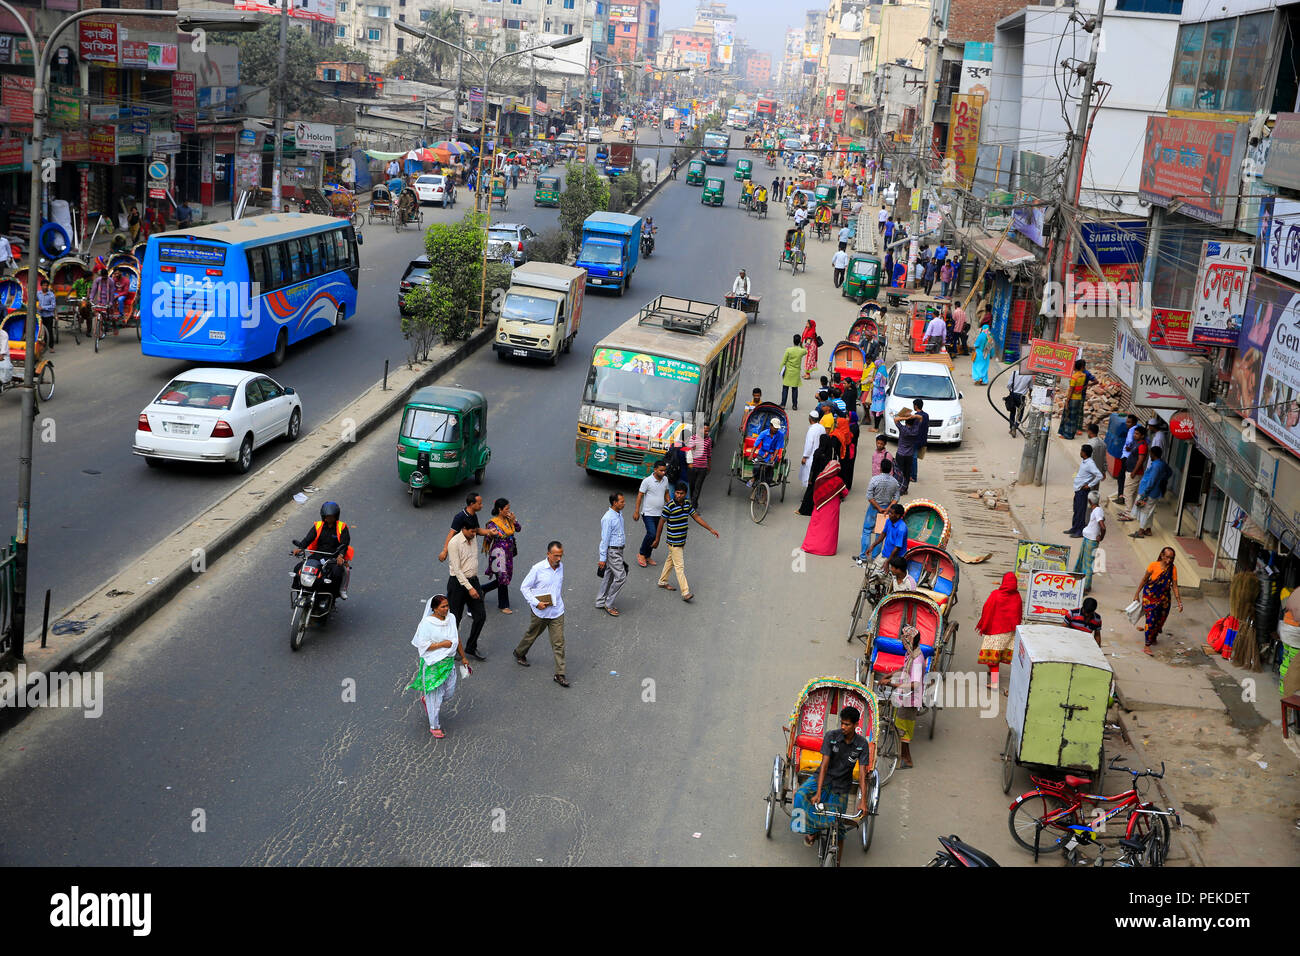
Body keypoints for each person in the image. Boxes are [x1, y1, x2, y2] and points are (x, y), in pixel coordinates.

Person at [790, 704, 871, 852]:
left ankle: (836, 862)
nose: (843, 727)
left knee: (838, 825)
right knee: (800, 796)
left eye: (847, 724)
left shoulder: (861, 744)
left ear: (855, 725)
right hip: (821, 778)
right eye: (842, 723)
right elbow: (824, 765)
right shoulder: (831, 736)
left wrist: (863, 801)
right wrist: (818, 792)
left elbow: (862, 774)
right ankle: (812, 829)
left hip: (842, 785)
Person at [408, 594, 471, 739]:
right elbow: (423, 645)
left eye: (447, 605)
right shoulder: (426, 624)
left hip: (449, 663)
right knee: (435, 699)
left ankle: (427, 700)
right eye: (443, 606)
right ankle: (434, 726)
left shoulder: (452, 618)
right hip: (434, 665)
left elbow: (456, 638)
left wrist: (463, 657)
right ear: (435, 609)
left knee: (448, 693)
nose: (446, 609)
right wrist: (442, 644)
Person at [515, 541, 570, 687]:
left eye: (561, 555)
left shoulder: (560, 567)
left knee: (559, 643)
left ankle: (560, 674)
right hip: (540, 612)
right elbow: (524, 587)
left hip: (557, 611)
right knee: (532, 634)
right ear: (548, 554)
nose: (559, 559)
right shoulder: (537, 569)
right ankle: (520, 652)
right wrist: (536, 602)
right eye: (556, 556)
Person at [653, 482, 720, 603]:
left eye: (681, 493)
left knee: (671, 561)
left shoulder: (687, 504)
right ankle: (685, 592)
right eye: (677, 493)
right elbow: (661, 522)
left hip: (681, 541)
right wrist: (657, 539)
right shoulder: (669, 506)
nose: (678, 495)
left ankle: (662, 581)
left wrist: (711, 529)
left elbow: (697, 518)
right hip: (674, 542)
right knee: (679, 566)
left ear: (685, 494)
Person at [446, 519, 489, 662]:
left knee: (480, 615)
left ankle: (471, 646)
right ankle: (451, 650)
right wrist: (470, 588)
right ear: (464, 528)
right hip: (457, 584)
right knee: (454, 618)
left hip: (473, 580)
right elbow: (457, 571)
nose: (474, 534)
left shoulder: (474, 536)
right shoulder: (454, 543)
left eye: (475, 531)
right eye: (471, 531)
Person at [292, 501, 353, 601]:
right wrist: (300, 548)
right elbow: (308, 539)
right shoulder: (318, 525)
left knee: (339, 573)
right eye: (327, 516)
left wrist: (340, 555)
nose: (328, 518)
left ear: (336, 516)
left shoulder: (342, 527)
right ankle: (299, 592)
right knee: (298, 568)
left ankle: (335, 594)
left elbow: (344, 544)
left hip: (334, 556)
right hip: (319, 554)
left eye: (331, 516)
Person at [976, 571, 1023, 690]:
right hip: (1009, 631)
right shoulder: (1017, 596)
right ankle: (992, 674)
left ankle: (994, 683)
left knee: (992, 657)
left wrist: (984, 624)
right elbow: (1018, 614)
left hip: (996, 630)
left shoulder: (996, 594)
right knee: (997, 654)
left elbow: (987, 609)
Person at [801, 442, 848, 556]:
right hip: (832, 509)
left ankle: (810, 546)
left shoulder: (820, 478)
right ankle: (826, 549)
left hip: (818, 506)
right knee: (829, 528)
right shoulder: (838, 481)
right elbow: (845, 493)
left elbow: (815, 492)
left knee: (816, 526)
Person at [1135, 546, 1182, 653]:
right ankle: (1147, 644)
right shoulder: (1153, 565)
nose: (1169, 560)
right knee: (1150, 619)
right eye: (1167, 557)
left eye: (1172, 558)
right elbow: (1144, 580)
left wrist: (1179, 602)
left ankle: (1154, 635)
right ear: (1162, 555)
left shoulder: (1173, 569)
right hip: (1150, 597)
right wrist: (1137, 594)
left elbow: (1174, 586)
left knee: (1160, 620)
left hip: (1164, 599)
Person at [890, 624, 924, 769]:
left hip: (910, 700)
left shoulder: (916, 660)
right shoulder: (910, 653)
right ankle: (902, 756)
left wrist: (893, 685)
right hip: (903, 697)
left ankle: (907, 759)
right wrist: (889, 675)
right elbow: (903, 668)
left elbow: (915, 684)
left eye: (903, 640)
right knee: (900, 726)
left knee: (903, 729)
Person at [484, 498, 521, 614]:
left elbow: (519, 529)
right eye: (506, 509)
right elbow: (487, 539)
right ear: (500, 510)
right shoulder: (492, 523)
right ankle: (503, 605)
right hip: (498, 554)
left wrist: (514, 521)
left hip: (508, 554)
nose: (509, 511)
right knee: (503, 579)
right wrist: (490, 534)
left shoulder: (509, 520)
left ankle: (482, 589)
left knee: (504, 578)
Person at [633, 459, 670, 568]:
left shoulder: (665, 480)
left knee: (654, 537)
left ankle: (647, 556)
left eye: (665, 471)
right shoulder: (647, 481)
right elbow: (640, 496)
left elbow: (666, 494)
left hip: (660, 514)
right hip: (648, 513)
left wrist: (672, 505)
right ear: (655, 470)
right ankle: (641, 554)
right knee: (652, 533)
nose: (663, 473)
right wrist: (636, 511)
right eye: (661, 471)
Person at [596, 491, 628, 617]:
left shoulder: (618, 514)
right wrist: (602, 558)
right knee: (621, 577)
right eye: (622, 502)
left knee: (609, 575)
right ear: (615, 503)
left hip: (618, 550)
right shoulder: (608, 518)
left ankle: (600, 601)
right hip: (613, 552)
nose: (624, 504)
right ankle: (608, 604)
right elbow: (604, 539)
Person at [438, 493, 495, 563]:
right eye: (479, 504)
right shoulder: (460, 517)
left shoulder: (473, 515)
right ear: (472, 504)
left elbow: (477, 530)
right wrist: (445, 551)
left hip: (470, 548)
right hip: (461, 550)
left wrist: (490, 531)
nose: (482, 506)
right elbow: (451, 533)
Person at [1130, 445, 1171, 538]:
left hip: (1149, 492)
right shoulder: (1161, 463)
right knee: (1150, 511)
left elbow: (1152, 481)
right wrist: (1162, 479)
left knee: (1145, 511)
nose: (1150, 456)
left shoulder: (1156, 466)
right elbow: (1169, 472)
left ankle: (1141, 531)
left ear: (1153, 454)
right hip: (1153, 491)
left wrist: (1146, 492)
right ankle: (1148, 530)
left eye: (1150, 454)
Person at [1066, 444, 1104, 537]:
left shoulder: (1090, 464)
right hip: (1078, 489)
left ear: (1084, 453)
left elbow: (1099, 475)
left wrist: (1089, 485)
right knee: (1076, 509)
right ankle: (1074, 527)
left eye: (1081, 451)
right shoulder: (1084, 462)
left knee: (1080, 511)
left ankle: (1079, 531)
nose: (1080, 452)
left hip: (1082, 491)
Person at [797, 433, 837, 517]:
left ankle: (804, 510)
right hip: (826, 477)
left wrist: (810, 479)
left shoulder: (818, 452)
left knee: (810, 493)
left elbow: (813, 467)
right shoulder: (831, 453)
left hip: (816, 477)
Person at [1074, 491, 1105, 593]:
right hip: (1088, 538)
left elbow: (1103, 526)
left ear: (1090, 501)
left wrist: (1101, 536)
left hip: (1091, 540)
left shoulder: (1097, 511)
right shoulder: (1097, 510)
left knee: (1088, 564)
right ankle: (1079, 579)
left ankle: (1086, 587)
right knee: (1083, 559)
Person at [1058, 359, 1096, 439]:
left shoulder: (1074, 377)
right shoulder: (1083, 375)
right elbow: (1081, 387)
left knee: (1068, 416)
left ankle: (1067, 435)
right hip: (1078, 398)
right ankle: (1072, 433)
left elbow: (1071, 390)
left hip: (1072, 398)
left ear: (1076, 367)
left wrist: (1067, 401)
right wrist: (1082, 388)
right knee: (1074, 417)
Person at [893, 406, 923, 494]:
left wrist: (905, 417)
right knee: (907, 473)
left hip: (900, 454)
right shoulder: (916, 429)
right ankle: (905, 489)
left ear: (906, 421)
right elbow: (921, 418)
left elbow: (896, 419)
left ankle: (899, 489)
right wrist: (913, 416)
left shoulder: (903, 429)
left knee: (899, 472)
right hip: (909, 454)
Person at [685, 422, 714, 506]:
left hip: (703, 468)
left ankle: (693, 506)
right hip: (692, 467)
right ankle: (694, 502)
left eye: (708, 431)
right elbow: (687, 450)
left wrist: (709, 465)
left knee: (698, 487)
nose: (707, 433)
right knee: (692, 486)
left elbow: (709, 454)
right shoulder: (693, 438)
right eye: (705, 431)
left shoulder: (709, 440)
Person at [800, 409, 826, 488]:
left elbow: (809, 444)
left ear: (810, 419)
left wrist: (805, 457)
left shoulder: (811, 430)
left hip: (811, 456)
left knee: (809, 476)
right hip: (820, 454)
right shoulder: (822, 427)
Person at [779, 333, 806, 410]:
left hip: (788, 372)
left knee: (785, 388)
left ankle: (783, 404)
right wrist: (801, 345)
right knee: (794, 389)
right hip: (796, 372)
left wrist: (781, 370)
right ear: (799, 341)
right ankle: (794, 405)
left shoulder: (788, 350)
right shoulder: (801, 351)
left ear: (793, 341)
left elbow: (783, 361)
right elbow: (806, 351)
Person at [1006, 366, 1032, 434]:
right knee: (1020, 413)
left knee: (1012, 412)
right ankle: (1015, 426)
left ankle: (1011, 427)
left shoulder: (1014, 373)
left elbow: (1008, 385)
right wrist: (1030, 395)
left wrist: (1011, 391)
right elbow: (1030, 387)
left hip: (1013, 395)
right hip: (1021, 397)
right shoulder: (1029, 376)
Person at [869, 361, 888, 431]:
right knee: (879, 410)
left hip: (877, 394)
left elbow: (877, 383)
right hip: (882, 393)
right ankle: (876, 427)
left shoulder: (879, 372)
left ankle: (876, 428)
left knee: (876, 410)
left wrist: (872, 381)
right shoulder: (884, 370)